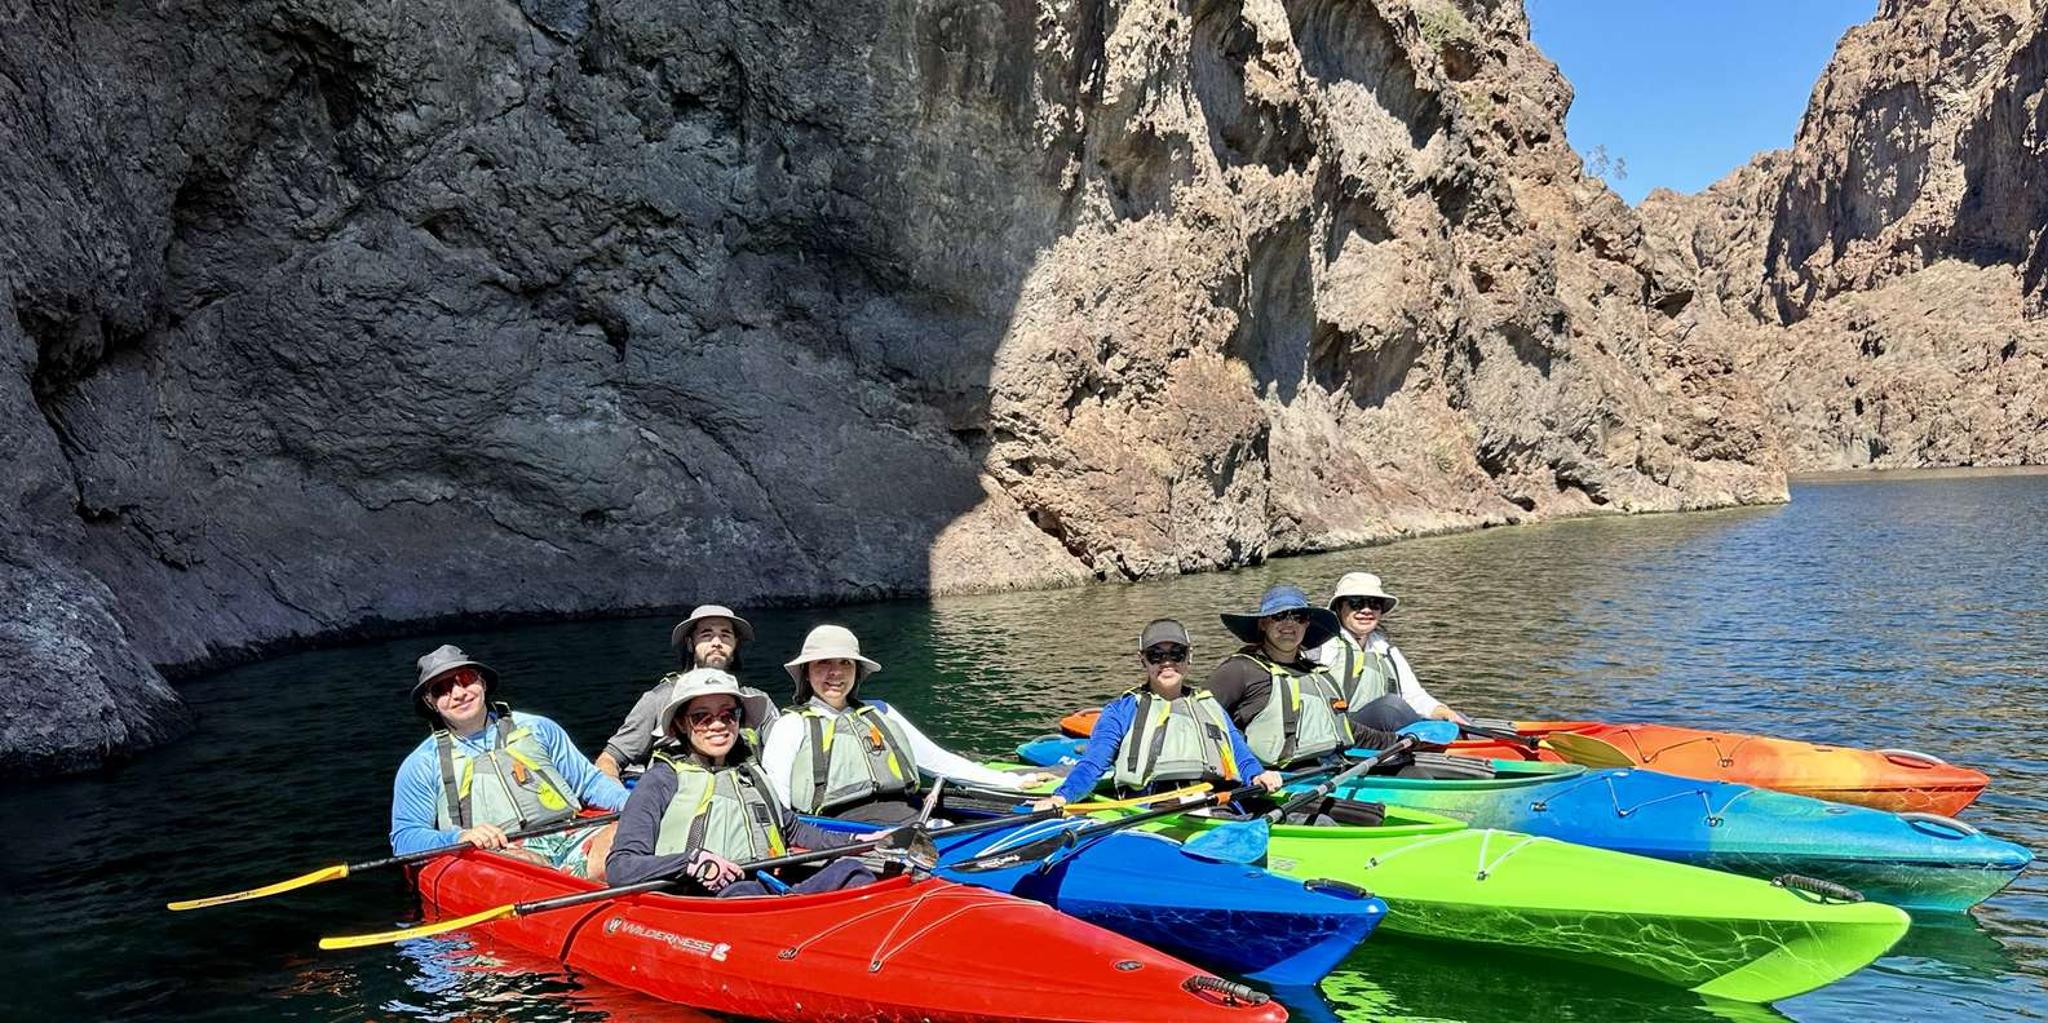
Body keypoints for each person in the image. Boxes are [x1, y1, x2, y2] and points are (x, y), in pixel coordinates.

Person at [605, 668, 875, 897]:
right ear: (681, 724)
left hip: (767, 887)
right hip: (713, 900)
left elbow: (793, 829)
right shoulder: (660, 780)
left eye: (728, 715)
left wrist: (858, 839)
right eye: (701, 717)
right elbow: (621, 867)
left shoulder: (750, 771)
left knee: (851, 870)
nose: (717, 725)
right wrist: (691, 862)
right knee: (743, 893)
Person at [760, 625, 1057, 824]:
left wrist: (1012, 782)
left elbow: (938, 761)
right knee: (936, 828)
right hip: (842, 827)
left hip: (905, 810)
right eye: (823, 663)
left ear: (857, 671)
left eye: (845, 663)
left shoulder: (879, 711)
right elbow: (780, 802)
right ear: (807, 673)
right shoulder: (791, 726)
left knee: (1000, 815)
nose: (835, 673)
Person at [389, 644, 628, 878]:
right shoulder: (421, 763)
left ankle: (602, 877)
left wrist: (633, 804)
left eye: (465, 678)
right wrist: (459, 838)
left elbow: (590, 783)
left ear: (481, 682)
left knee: (628, 837)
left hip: (570, 832)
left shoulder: (539, 728)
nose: (459, 693)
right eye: (442, 689)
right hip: (503, 852)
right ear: (431, 703)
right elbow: (405, 838)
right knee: (528, 866)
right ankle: (576, 880)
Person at [1031, 620, 1281, 810]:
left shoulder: (1210, 706)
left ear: (1189, 657)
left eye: (1176, 654)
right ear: (1143, 661)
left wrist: (1259, 774)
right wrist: (1061, 797)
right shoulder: (1121, 710)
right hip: (1153, 805)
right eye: (1156, 655)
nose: (1167, 663)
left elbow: (1241, 756)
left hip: (1215, 800)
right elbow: (1093, 763)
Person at [595, 604, 782, 780]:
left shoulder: (757, 701)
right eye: (706, 634)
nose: (716, 642)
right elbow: (609, 760)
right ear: (690, 643)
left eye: (725, 635)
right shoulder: (659, 699)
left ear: (735, 644)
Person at [1203, 583, 1370, 771]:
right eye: (1279, 616)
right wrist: (1247, 769)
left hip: (1331, 768)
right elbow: (1202, 719)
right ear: (1263, 623)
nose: (1289, 623)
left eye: (1298, 617)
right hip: (1275, 781)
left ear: (1306, 624)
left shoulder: (1316, 673)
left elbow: (1345, 727)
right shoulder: (1239, 670)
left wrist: (1397, 741)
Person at [1313, 572, 1468, 729]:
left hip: (1379, 729)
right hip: (1337, 728)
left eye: (1374, 604)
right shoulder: (1323, 645)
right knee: (1389, 706)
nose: (1366, 610)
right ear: (1339, 608)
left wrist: (1443, 712)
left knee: (1456, 719)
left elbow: (1413, 695)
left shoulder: (1386, 650)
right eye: (1356, 603)